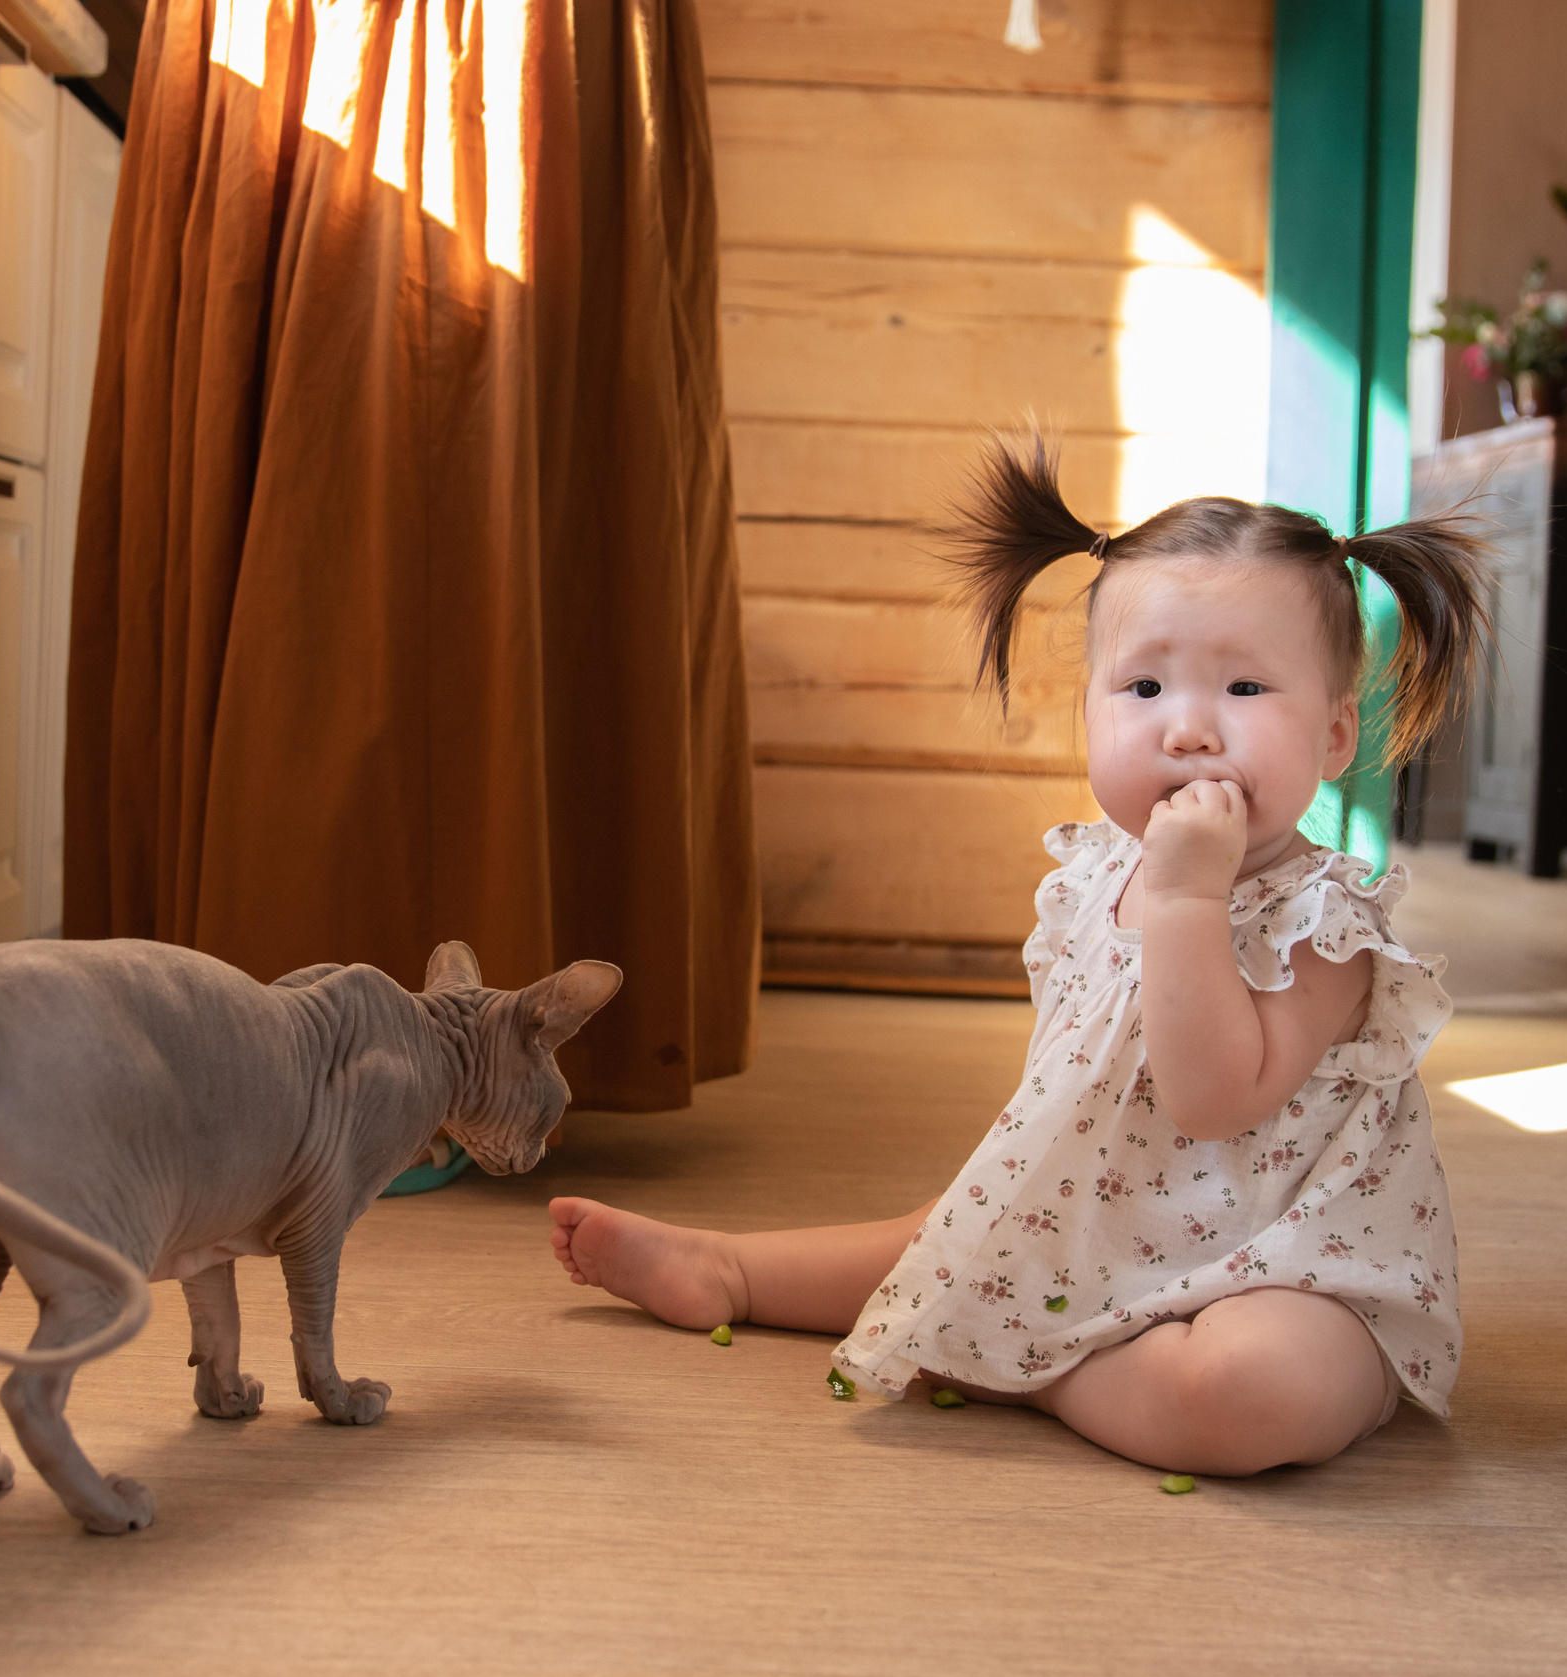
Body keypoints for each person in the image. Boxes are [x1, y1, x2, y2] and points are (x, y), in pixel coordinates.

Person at [548, 435, 1494, 1476]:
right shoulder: (1091, 877)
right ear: (1086, 713)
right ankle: (726, 1265)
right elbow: (1066, 1115)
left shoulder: (1324, 920)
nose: (1187, 729)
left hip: (1286, 1265)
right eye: (1141, 690)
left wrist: (1188, 895)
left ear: (1330, 738)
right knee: (957, 1228)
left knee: (1257, 1395)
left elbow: (1212, 1101)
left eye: (1244, 689)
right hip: (1110, 1218)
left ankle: (1021, 1362)